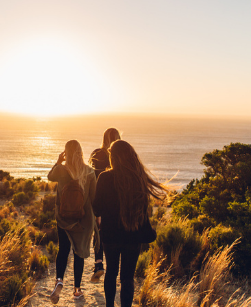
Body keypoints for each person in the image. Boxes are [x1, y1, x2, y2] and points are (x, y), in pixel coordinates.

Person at [93, 140, 168, 307]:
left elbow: (96, 209)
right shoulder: (138, 179)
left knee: (111, 273)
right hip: (133, 235)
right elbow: (144, 211)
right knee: (127, 277)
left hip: (110, 236)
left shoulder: (104, 178)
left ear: (113, 157)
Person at [47, 140, 97, 304]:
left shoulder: (61, 170)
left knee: (63, 249)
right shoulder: (90, 172)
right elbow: (93, 198)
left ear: (66, 153)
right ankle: (77, 290)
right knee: (79, 253)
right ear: (81, 152)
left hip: (63, 218)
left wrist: (58, 161)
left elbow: (49, 177)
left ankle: (59, 281)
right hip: (83, 220)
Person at [88, 127, 121, 282]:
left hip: (98, 197)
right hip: (117, 200)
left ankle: (99, 264)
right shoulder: (121, 156)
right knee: (116, 232)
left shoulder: (96, 153)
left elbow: (90, 173)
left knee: (99, 231)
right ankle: (114, 265)